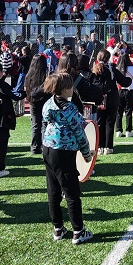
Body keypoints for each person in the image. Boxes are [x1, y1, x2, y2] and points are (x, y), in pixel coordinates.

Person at [41, 72, 95, 244]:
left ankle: (58, 229)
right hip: (63, 152)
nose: (73, 89)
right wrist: (87, 154)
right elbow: (80, 134)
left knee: (53, 191)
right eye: (71, 86)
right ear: (64, 89)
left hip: (48, 148)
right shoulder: (69, 108)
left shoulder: (49, 103)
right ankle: (78, 231)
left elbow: (47, 119)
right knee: (71, 193)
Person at [86, 49, 131, 155]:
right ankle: (108, 147)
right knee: (110, 123)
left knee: (100, 123)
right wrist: (130, 78)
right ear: (108, 58)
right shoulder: (112, 70)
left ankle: (100, 146)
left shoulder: (94, 70)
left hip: (99, 100)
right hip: (111, 99)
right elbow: (124, 82)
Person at [25, 54, 49, 154]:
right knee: (44, 123)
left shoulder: (29, 75)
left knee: (35, 124)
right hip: (44, 100)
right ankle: (44, 146)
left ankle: (34, 147)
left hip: (33, 101)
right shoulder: (45, 75)